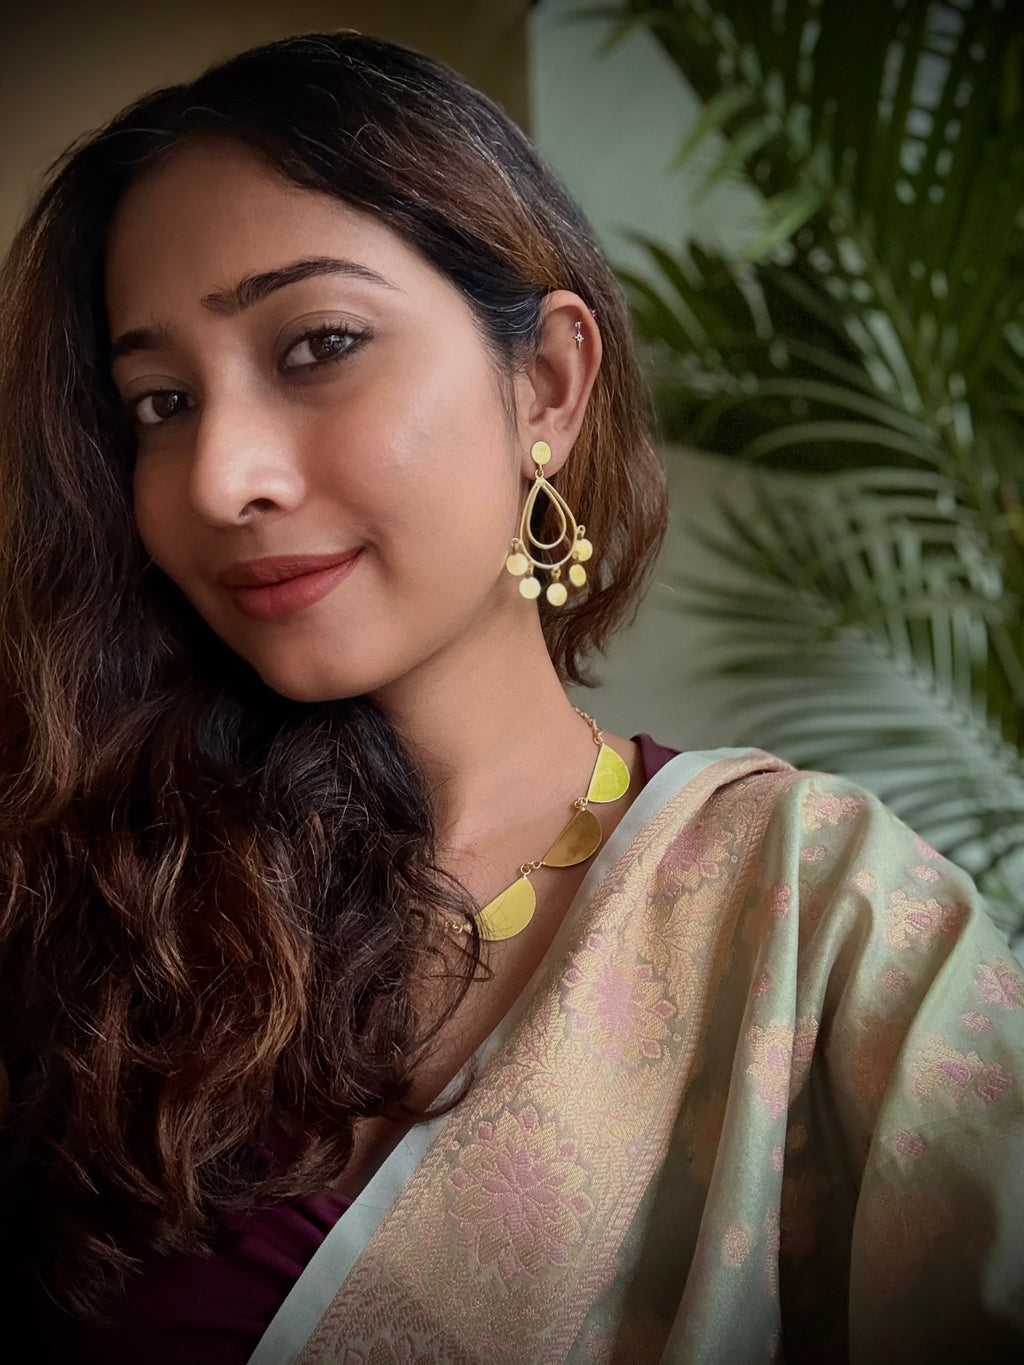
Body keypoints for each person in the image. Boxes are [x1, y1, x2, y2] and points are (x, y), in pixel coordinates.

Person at [0, 29, 1020, 1365]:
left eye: (318, 343)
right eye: (160, 402)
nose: (218, 477)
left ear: (545, 384)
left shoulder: (824, 921)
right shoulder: (73, 899)